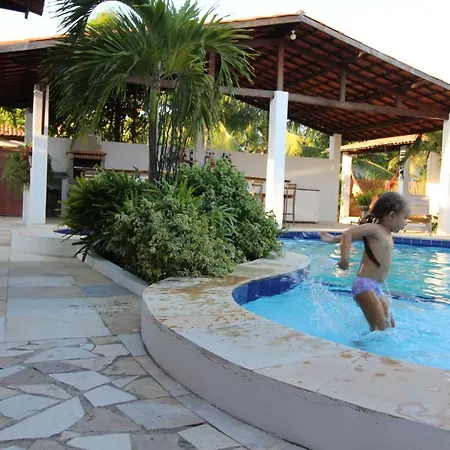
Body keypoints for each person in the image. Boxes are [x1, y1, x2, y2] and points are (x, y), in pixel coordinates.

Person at [321, 192, 410, 331]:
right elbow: (348, 233)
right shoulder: (375, 229)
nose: (406, 222)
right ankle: (356, 345)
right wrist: (344, 259)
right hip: (364, 285)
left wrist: (333, 239)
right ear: (392, 215)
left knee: (390, 325)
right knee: (379, 327)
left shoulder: (386, 233)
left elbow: (353, 236)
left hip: (376, 286)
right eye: (405, 218)